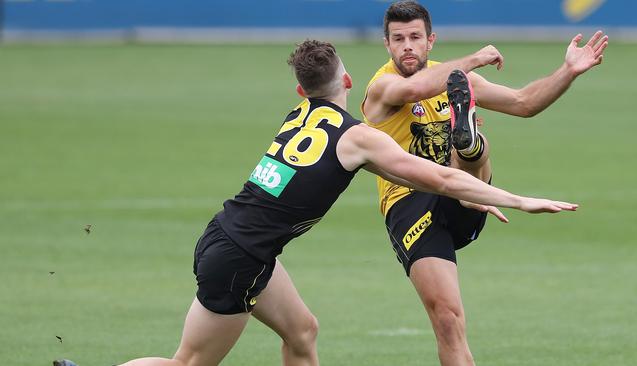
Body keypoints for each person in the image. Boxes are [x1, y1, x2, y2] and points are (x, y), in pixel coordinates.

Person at [54, 40, 576, 366]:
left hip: (233, 240)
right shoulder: (355, 138)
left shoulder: (297, 116)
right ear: (347, 82)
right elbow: (439, 178)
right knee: (188, 362)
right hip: (240, 258)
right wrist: (517, 198)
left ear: (300, 90)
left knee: (303, 333)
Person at [361, 1, 608, 365]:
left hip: (464, 191)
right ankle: (470, 140)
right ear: (387, 44)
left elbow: (524, 103)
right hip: (409, 203)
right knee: (447, 320)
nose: (407, 46)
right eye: (398, 39)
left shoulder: (456, 79)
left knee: (472, 151)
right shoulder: (383, 86)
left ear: (431, 41)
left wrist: (568, 71)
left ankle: (470, 142)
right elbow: (414, 91)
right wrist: (476, 57)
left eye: (415, 37)